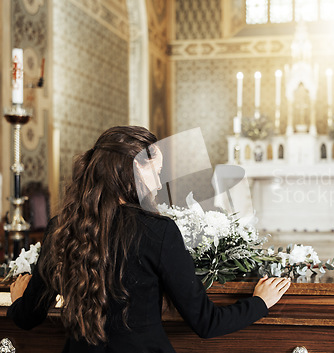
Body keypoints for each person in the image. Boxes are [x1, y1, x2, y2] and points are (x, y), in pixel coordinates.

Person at [8, 126, 290, 352]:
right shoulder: (159, 231)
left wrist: (18, 298)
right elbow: (207, 323)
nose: (157, 183)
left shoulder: (61, 227)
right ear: (127, 172)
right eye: (154, 173)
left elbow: (27, 318)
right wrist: (259, 303)